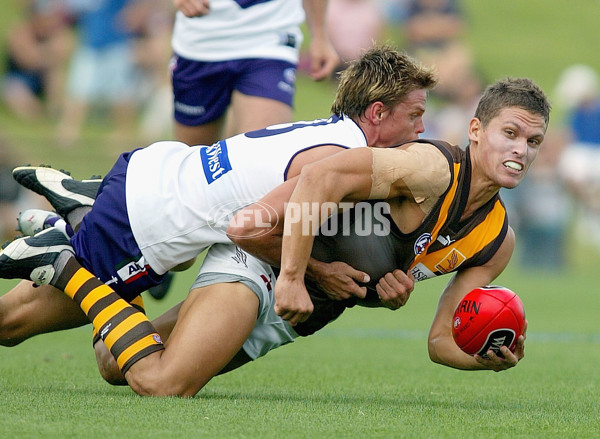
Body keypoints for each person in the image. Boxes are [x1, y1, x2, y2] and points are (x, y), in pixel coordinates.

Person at [0, 47, 436, 396]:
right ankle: (57, 253)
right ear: (377, 113)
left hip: (153, 171)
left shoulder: (334, 134)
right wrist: (313, 274)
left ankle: (83, 204)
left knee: (176, 271)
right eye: (414, 114)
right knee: (10, 324)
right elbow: (245, 228)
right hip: (141, 224)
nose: (421, 128)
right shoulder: (337, 159)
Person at [266, 77, 549, 372]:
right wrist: (292, 277)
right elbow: (318, 177)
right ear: (475, 130)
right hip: (266, 272)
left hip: (305, 316)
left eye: (533, 141)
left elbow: (440, 341)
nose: (521, 150)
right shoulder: (430, 168)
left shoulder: (498, 241)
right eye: (510, 133)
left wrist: (485, 360)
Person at [170, 0, 339, 147]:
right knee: (192, 164)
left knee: (260, 155)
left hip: (270, 39)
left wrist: (319, 34)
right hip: (200, 43)